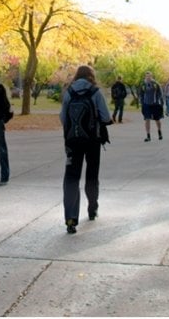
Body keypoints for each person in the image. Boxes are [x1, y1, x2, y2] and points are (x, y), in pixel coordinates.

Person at [60, 65, 112, 234]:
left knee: (71, 177)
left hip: (73, 140)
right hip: (92, 140)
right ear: (91, 76)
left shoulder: (69, 92)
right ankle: (92, 208)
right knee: (91, 174)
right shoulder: (95, 92)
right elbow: (105, 116)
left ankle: (70, 218)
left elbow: (63, 117)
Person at [139, 71, 164, 141]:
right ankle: (148, 136)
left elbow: (160, 93)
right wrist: (142, 102)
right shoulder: (143, 85)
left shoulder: (156, 84)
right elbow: (141, 94)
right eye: (147, 76)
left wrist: (158, 100)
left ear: (151, 77)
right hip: (146, 105)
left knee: (157, 120)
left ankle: (159, 132)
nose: (148, 78)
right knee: (147, 119)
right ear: (145, 77)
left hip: (155, 104)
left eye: (149, 76)